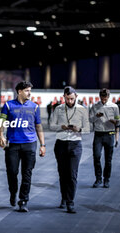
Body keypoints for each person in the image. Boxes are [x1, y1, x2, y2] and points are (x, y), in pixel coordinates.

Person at [0, 81, 46, 212]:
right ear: (19, 91)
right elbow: (0, 121)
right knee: (12, 172)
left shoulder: (35, 107)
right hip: (12, 145)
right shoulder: (8, 105)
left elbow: (38, 126)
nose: (29, 93)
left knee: (27, 174)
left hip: (30, 145)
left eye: (30, 90)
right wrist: (1, 135)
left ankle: (23, 200)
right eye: (26, 90)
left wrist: (42, 144)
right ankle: (13, 192)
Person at [49, 86, 90, 214]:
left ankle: (70, 202)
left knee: (72, 175)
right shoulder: (58, 109)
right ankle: (63, 197)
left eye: (72, 99)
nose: (70, 101)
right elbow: (51, 125)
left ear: (76, 96)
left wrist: (79, 129)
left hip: (75, 144)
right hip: (60, 144)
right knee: (62, 174)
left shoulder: (82, 110)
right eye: (67, 99)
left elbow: (88, 129)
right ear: (64, 97)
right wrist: (61, 126)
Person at [89, 88, 120, 189]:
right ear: (100, 97)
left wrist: (113, 121)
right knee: (96, 156)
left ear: (108, 97)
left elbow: (119, 121)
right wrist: (96, 116)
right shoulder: (95, 106)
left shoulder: (114, 106)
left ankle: (106, 179)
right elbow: (90, 119)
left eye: (105, 99)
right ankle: (98, 178)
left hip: (110, 133)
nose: (103, 100)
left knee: (108, 159)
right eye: (102, 99)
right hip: (98, 134)